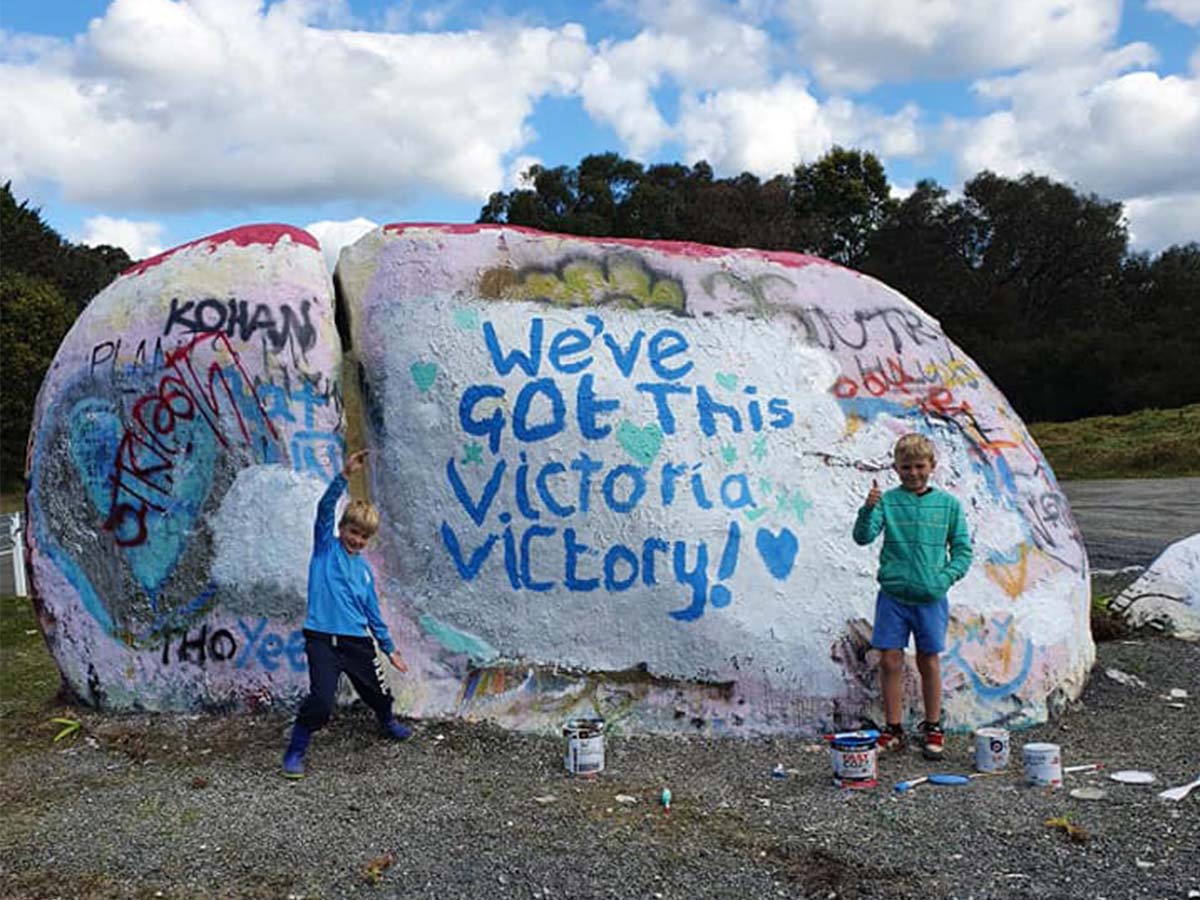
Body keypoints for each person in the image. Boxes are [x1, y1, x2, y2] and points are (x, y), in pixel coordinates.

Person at [282, 449, 411, 779]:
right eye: (353, 532)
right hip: (322, 640)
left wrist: (389, 648)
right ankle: (296, 749)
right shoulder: (325, 549)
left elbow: (372, 613)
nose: (357, 540)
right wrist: (345, 475)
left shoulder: (365, 573)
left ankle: (386, 720)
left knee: (378, 694)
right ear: (341, 528)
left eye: (364, 536)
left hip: (357, 643)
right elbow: (324, 508)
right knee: (321, 702)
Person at [852, 433, 972, 759]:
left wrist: (944, 578)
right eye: (906, 467)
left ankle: (933, 726)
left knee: (928, 661)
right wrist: (868, 510)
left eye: (920, 466)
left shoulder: (948, 505)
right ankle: (893, 729)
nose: (913, 473)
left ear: (932, 466)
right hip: (892, 596)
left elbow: (962, 550)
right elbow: (862, 538)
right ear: (896, 468)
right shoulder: (887, 501)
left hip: (931, 598)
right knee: (889, 660)